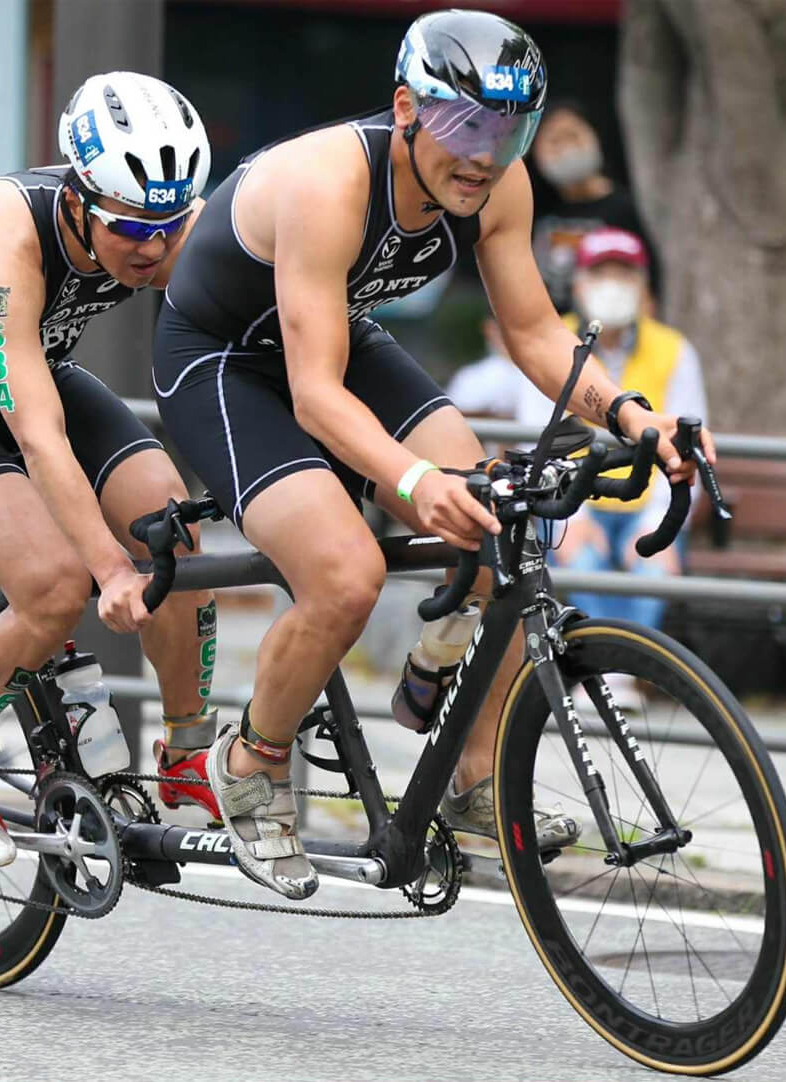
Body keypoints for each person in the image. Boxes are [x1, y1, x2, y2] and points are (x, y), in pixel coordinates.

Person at [155, 10, 712, 899]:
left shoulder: (501, 185)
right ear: (406, 107)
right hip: (226, 362)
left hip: (340, 341)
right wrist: (411, 479)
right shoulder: (326, 184)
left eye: (510, 129)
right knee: (343, 577)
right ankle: (251, 762)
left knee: (499, 513)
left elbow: (536, 336)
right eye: (463, 124)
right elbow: (313, 395)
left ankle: (472, 772)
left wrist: (635, 417)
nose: (484, 154)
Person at [0, 71, 220, 866]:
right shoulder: (4, 241)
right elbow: (39, 439)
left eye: (171, 226)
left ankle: (188, 753)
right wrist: (107, 570)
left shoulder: (160, 223)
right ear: (77, 198)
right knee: (57, 586)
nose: (155, 249)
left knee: (171, 525)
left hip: (41, 378)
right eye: (132, 229)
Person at [450, 228, 706, 639]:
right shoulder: (552, 342)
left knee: (653, 563)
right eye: (600, 274)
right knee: (582, 559)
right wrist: (576, 512)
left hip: (646, 502)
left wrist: (657, 519)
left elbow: (683, 442)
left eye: (624, 275)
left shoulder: (674, 349)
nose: (612, 287)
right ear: (579, 283)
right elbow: (541, 435)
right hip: (574, 495)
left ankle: (623, 663)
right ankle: (608, 665)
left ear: (643, 287)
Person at [528, 99, 658, 314]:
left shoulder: (624, 208)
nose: (566, 149)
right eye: (554, 141)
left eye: (573, 135)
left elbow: (648, 281)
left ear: (594, 136)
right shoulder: (535, 209)